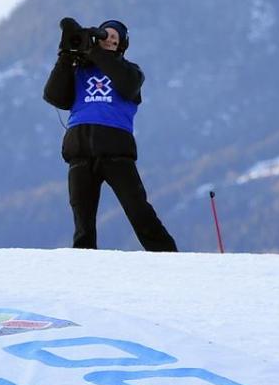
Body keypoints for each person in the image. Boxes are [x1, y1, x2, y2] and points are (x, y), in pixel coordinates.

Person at [43, 17, 178, 252]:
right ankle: (84, 266)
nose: (109, 39)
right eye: (106, 34)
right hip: (80, 152)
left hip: (116, 152)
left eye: (115, 38)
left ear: (121, 45)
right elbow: (54, 96)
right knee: (83, 221)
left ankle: (168, 256)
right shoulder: (78, 73)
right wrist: (66, 55)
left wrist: (95, 52)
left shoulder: (132, 72)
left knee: (138, 210)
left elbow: (127, 85)